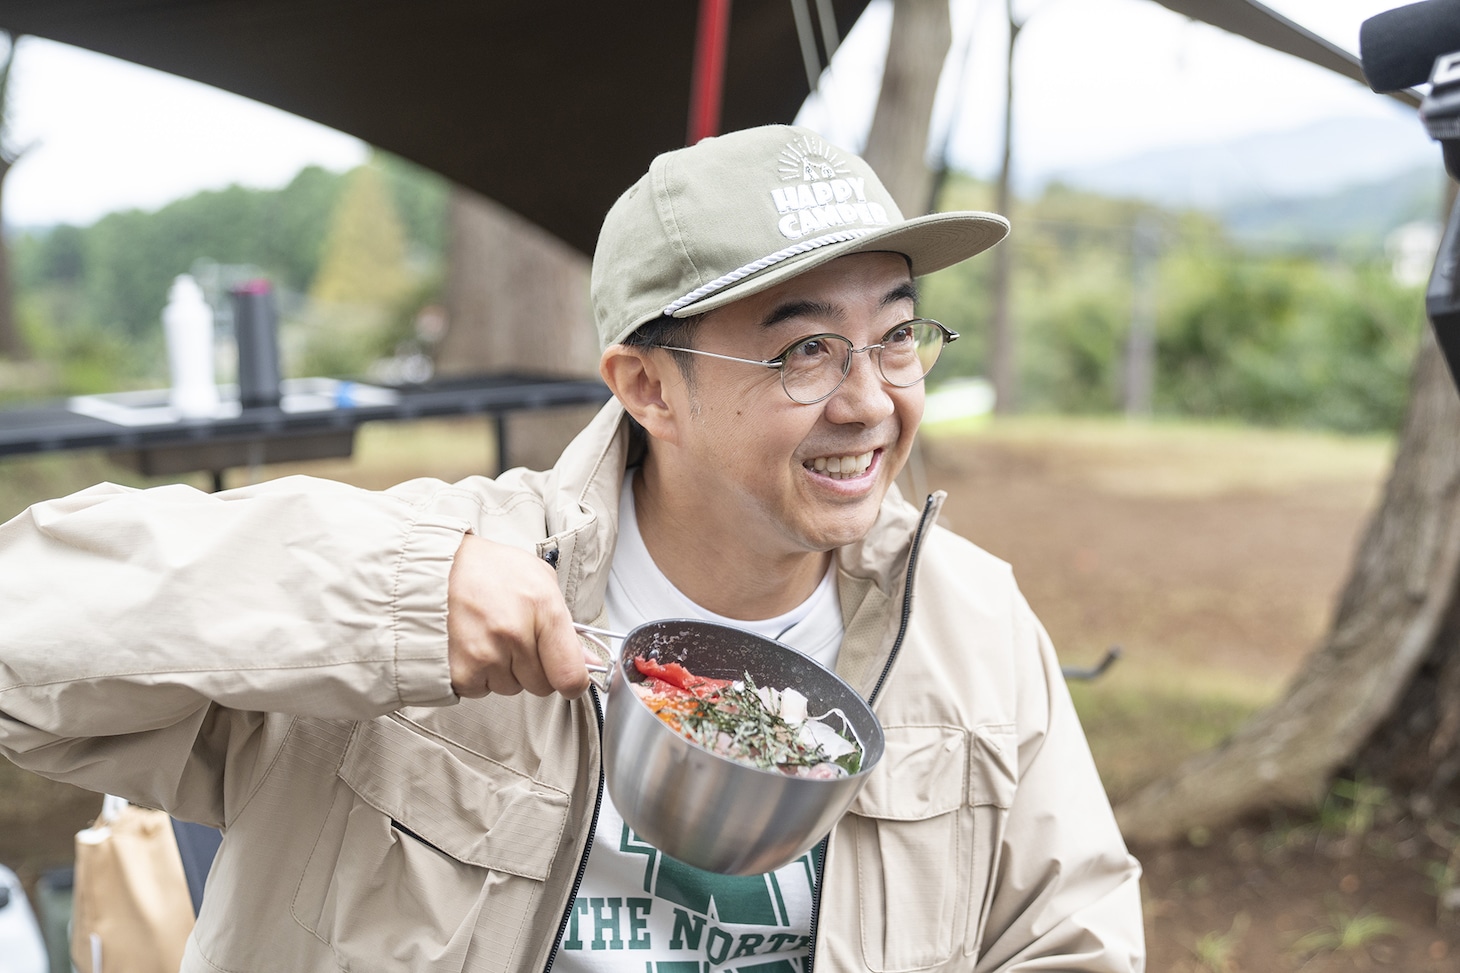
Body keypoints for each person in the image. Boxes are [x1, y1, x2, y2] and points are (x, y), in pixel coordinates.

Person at [0, 125, 1144, 972]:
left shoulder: (970, 622)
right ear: (648, 386)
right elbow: (26, 638)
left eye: (896, 338)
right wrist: (390, 601)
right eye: (804, 352)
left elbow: (1069, 937)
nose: (869, 402)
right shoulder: (443, 571)